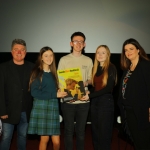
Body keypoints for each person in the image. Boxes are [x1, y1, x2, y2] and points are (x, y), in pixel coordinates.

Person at [57, 31, 93, 150]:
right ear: (71, 43)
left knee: (81, 133)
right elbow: (59, 80)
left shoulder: (88, 60)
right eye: (76, 41)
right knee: (68, 131)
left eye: (81, 41)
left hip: (83, 102)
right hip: (68, 102)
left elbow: (91, 80)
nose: (78, 43)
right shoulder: (64, 60)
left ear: (84, 44)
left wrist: (85, 83)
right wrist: (65, 95)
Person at [28, 46, 67, 150]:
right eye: (46, 56)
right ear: (41, 57)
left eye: (51, 55)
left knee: (57, 142)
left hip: (53, 107)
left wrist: (59, 91)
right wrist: (55, 94)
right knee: (44, 140)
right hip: (41, 108)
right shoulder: (37, 72)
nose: (49, 58)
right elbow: (34, 93)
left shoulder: (55, 74)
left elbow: (53, 90)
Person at [81, 45, 117, 150]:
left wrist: (90, 96)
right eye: (98, 52)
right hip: (95, 102)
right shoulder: (95, 68)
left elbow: (108, 88)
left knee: (104, 134)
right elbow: (96, 88)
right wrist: (88, 92)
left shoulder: (111, 67)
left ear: (108, 55)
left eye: (103, 52)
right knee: (95, 133)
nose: (100, 55)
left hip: (106, 102)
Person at [0, 39, 34, 150]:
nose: (19, 52)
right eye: (16, 49)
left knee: (23, 136)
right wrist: (2, 111)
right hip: (8, 112)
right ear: (11, 51)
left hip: (26, 110)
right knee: (6, 137)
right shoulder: (3, 68)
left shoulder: (32, 67)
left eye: (22, 50)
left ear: (26, 52)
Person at [118, 38, 150, 150]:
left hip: (142, 112)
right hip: (129, 112)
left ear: (138, 50)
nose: (128, 52)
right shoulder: (127, 69)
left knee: (144, 142)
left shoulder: (145, 65)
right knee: (136, 141)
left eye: (131, 49)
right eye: (125, 50)